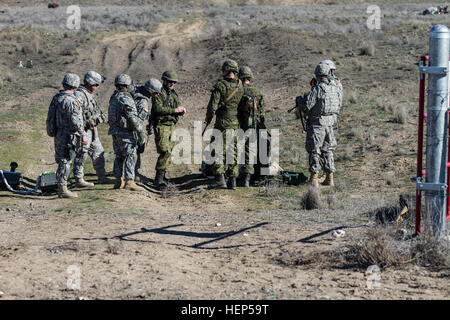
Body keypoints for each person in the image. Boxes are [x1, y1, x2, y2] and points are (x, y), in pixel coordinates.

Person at [298, 63, 342, 187]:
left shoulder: (318, 88)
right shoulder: (335, 88)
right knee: (328, 150)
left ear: (318, 74)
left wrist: (299, 100)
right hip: (330, 124)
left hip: (317, 124)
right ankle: (329, 178)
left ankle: (314, 179)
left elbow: (307, 106)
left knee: (314, 150)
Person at [205, 59, 244, 190]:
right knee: (232, 151)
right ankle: (232, 181)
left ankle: (220, 180)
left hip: (222, 123)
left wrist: (208, 118)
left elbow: (212, 107)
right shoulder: (240, 86)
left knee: (217, 150)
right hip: (235, 124)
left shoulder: (220, 86)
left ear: (226, 70)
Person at [47, 73, 86, 198]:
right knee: (66, 160)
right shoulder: (70, 101)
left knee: (63, 159)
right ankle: (62, 189)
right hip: (69, 135)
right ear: (75, 85)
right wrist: (82, 134)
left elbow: (50, 117)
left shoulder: (57, 98)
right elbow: (75, 122)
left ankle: (62, 187)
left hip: (59, 133)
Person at [73, 71, 114, 187]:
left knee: (98, 152)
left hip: (92, 130)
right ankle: (78, 179)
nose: (97, 87)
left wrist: (101, 117)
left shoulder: (88, 94)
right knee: (82, 154)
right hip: (84, 130)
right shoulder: (79, 95)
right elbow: (76, 115)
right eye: (96, 85)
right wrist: (88, 122)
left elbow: (94, 110)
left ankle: (101, 176)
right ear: (90, 83)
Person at [107, 74, 146, 191]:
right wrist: (140, 132)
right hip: (125, 132)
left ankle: (118, 180)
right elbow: (132, 117)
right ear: (127, 85)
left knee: (119, 156)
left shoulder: (114, 97)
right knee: (130, 155)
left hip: (115, 131)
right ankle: (129, 181)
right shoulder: (126, 98)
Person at [152, 70, 186, 187]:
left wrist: (180, 111)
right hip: (161, 126)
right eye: (170, 82)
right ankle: (158, 178)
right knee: (164, 150)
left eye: (174, 82)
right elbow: (157, 109)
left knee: (170, 151)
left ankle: (162, 175)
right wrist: (174, 111)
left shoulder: (174, 94)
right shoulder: (159, 93)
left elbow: (177, 106)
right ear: (164, 80)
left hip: (171, 125)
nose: (172, 84)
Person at [237, 66, 266, 187]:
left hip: (238, 125)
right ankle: (247, 180)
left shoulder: (237, 90)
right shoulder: (257, 92)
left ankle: (235, 176)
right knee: (250, 150)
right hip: (253, 126)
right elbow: (262, 112)